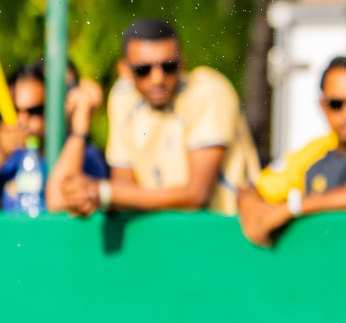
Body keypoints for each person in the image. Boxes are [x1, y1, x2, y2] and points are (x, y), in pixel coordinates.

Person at [60, 18, 259, 216]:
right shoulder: (122, 97)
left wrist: (101, 192)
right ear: (124, 71)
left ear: (183, 64)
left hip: (229, 232)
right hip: (168, 233)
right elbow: (124, 188)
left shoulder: (208, 91)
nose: (157, 78)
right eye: (143, 70)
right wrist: (90, 193)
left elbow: (196, 196)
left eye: (168, 66)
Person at [237, 56, 346, 247]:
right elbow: (254, 189)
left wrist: (291, 207)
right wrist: (254, 213)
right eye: (336, 104)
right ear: (322, 105)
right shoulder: (314, 150)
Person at [0, 61, 105, 214]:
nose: (22, 120)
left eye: (34, 110)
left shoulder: (85, 156)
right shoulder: (14, 158)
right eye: (15, 110)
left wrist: (80, 125)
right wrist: (0, 154)